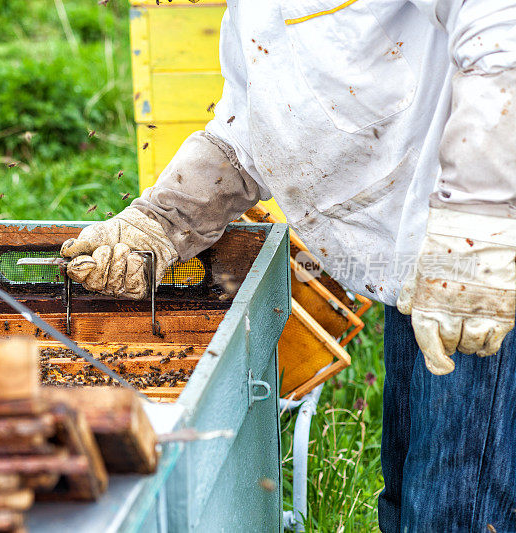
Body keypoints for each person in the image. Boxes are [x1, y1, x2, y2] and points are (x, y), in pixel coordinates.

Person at [59, 0, 516, 530]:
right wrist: (163, 219)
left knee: (457, 512)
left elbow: (502, 34)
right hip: (419, 262)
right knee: (411, 497)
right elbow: (252, 122)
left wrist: (481, 224)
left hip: (486, 258)